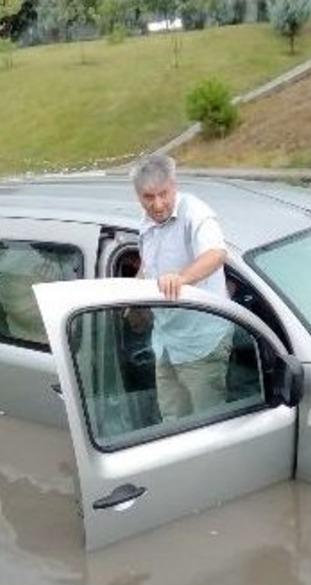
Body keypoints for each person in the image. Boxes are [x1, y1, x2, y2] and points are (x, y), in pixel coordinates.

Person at [130, 154, 232, 422]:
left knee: (206, 427)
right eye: (148, 197)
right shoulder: (146, 219)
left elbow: (216, 254)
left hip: (202, 343)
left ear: (174, 185)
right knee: (173, 423)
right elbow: (149, 264)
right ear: (138, 195)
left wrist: (181, 278)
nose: (158, 204)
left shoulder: (195, 212)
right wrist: (133, 297)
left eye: (163, 194)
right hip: (165, 342)